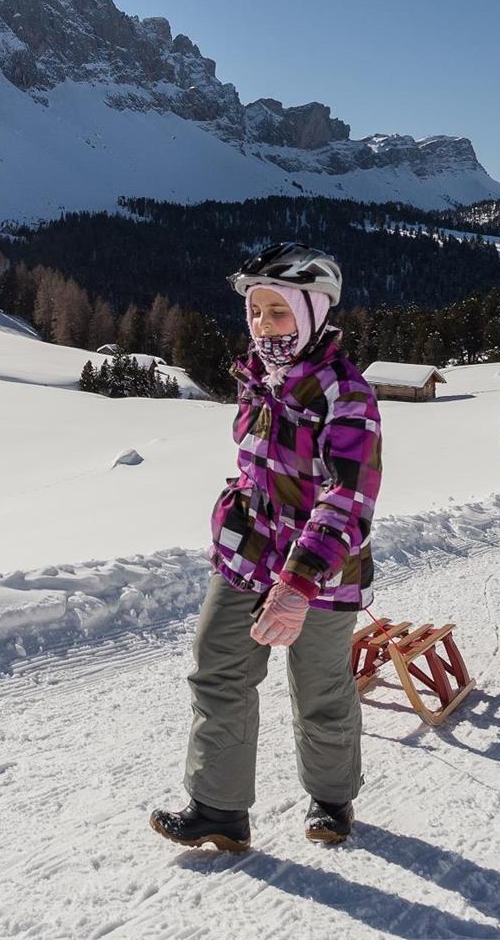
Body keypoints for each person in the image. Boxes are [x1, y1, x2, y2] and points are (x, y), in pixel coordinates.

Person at [150, 243, 380, 853]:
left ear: (312, 314)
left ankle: (332, 800)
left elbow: (347, 498)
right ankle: (219, 808)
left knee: (321, 690)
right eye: (255, 312)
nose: (262, 326)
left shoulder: (345, 394)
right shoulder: (258, 380)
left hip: (320, 572)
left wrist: (299, 582)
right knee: (216, 668)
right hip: (248, 554)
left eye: (278, 313)